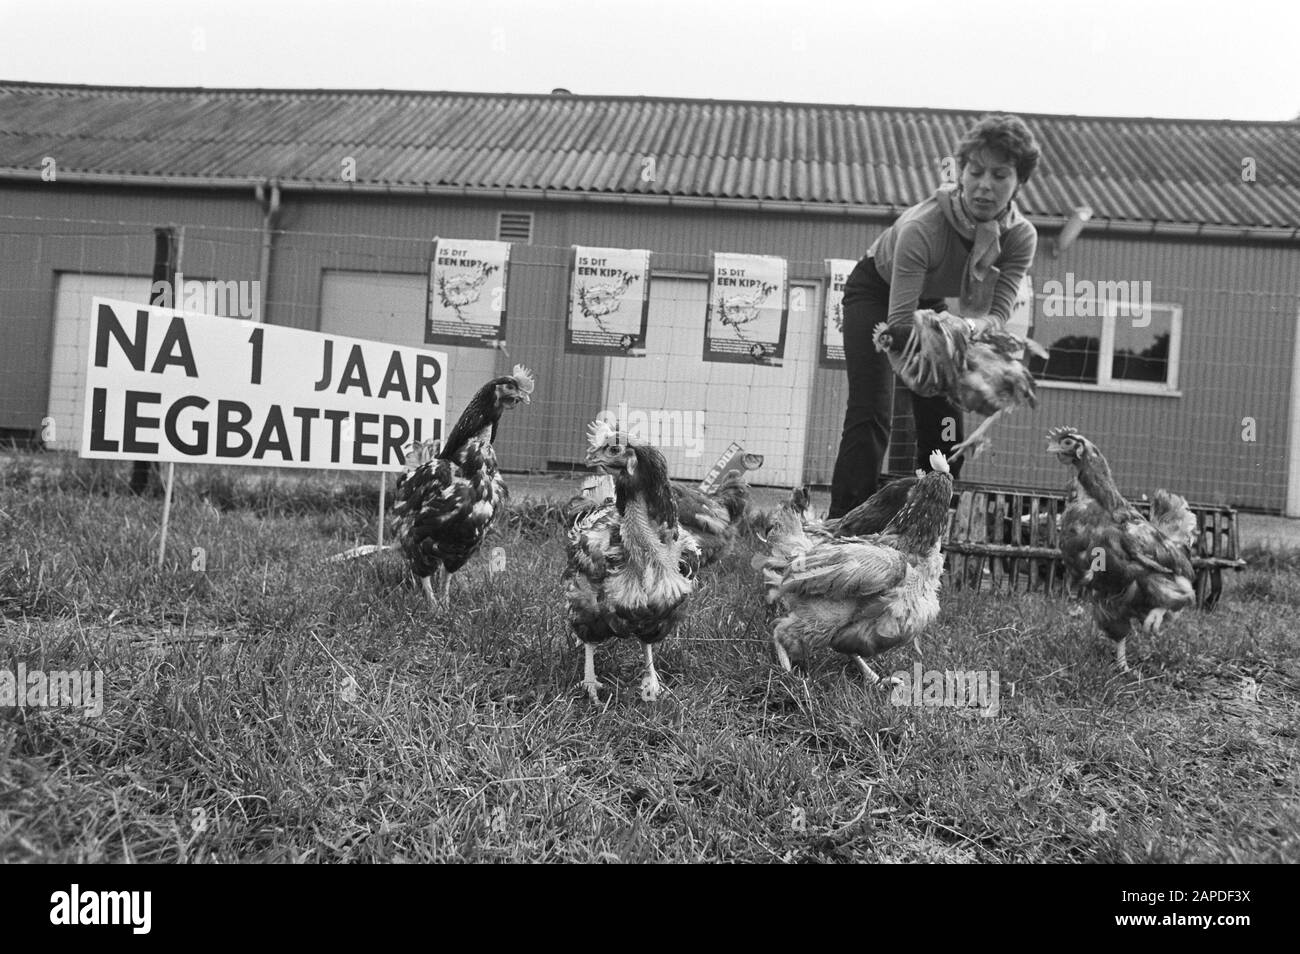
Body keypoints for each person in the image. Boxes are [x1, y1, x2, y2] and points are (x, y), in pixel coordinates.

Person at [828, 113, 1041, 518]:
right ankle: (843, 523)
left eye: (1000, 175)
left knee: (944, 418)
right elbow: (902, 326)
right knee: (873, 408)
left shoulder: (1020, 236)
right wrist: (943, 355)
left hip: (936, 311)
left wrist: (967, 335)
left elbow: (997, 314)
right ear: (960, 172)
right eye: (975, 171)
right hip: (879, 295)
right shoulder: (922, 227)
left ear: (1020, 182)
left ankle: (928, 527)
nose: (984, 185)